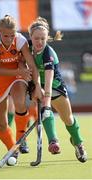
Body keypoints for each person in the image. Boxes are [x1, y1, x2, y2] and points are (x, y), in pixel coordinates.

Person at [27, 17, 87, 163]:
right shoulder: (27, 48)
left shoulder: (48, 53)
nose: (39, 42)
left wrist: (47, 105)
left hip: (54, 87)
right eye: (36, 38)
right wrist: (34, 86)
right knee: (44, 113)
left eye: (43, 38)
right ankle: (53, 142)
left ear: (47, 38)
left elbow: (48, 82)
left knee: (68, 119)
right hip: (37, 84)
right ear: (30, 37)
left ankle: (78, 143)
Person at [0, 15, 42, 165]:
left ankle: (21, 139)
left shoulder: (20, 40)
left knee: (20, 101)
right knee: (1, 125)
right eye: (5, 36)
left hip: (17, 76)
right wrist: (19, 72)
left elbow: (32, 65)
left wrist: (37, 86)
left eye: (12, 35)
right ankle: (13, 149)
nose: (9, 39)